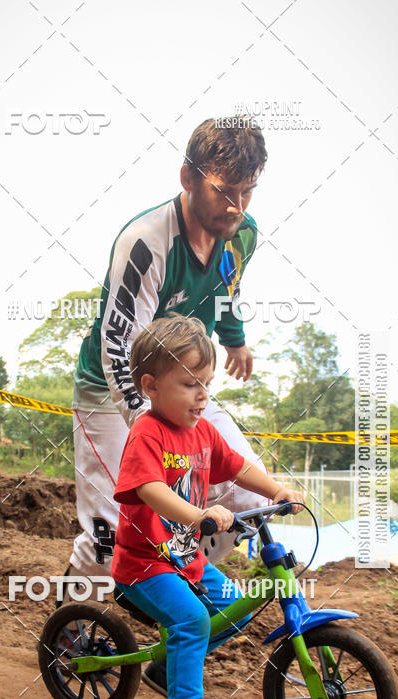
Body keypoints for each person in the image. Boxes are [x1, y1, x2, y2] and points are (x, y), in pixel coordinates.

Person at [66, 117, 273, 598]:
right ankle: (71, 632)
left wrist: (234, 339)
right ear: (188, 178)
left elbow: (228, 285)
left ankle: (166, 612)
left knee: (244, 502)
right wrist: (156, 435)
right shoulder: (146, 242)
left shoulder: (241, 232)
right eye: (224, 191)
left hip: (182, 387)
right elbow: (119, 350)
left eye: (248, 191)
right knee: (111, 534)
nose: (236, 207)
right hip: (112, 393)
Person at [111, 316, 304, 699]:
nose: (203, 395)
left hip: (184, 559)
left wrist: (274, 489)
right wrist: (199, 515)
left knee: (235, 611)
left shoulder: (202, 432)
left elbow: (236, 466)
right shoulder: (147, 432)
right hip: (145, 564)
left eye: (207, 384)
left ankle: (165, 669)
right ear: (150, 385)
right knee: (194, 620)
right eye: (189, 383)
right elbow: (149, 489)